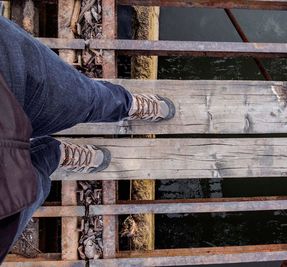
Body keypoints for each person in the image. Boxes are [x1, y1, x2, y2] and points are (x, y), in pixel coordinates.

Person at [0, 16, 175, 263]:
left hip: (4, 77)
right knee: (38, 177)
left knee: (82, 99)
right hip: (5, 205)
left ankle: (125, 105)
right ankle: (57, 153)